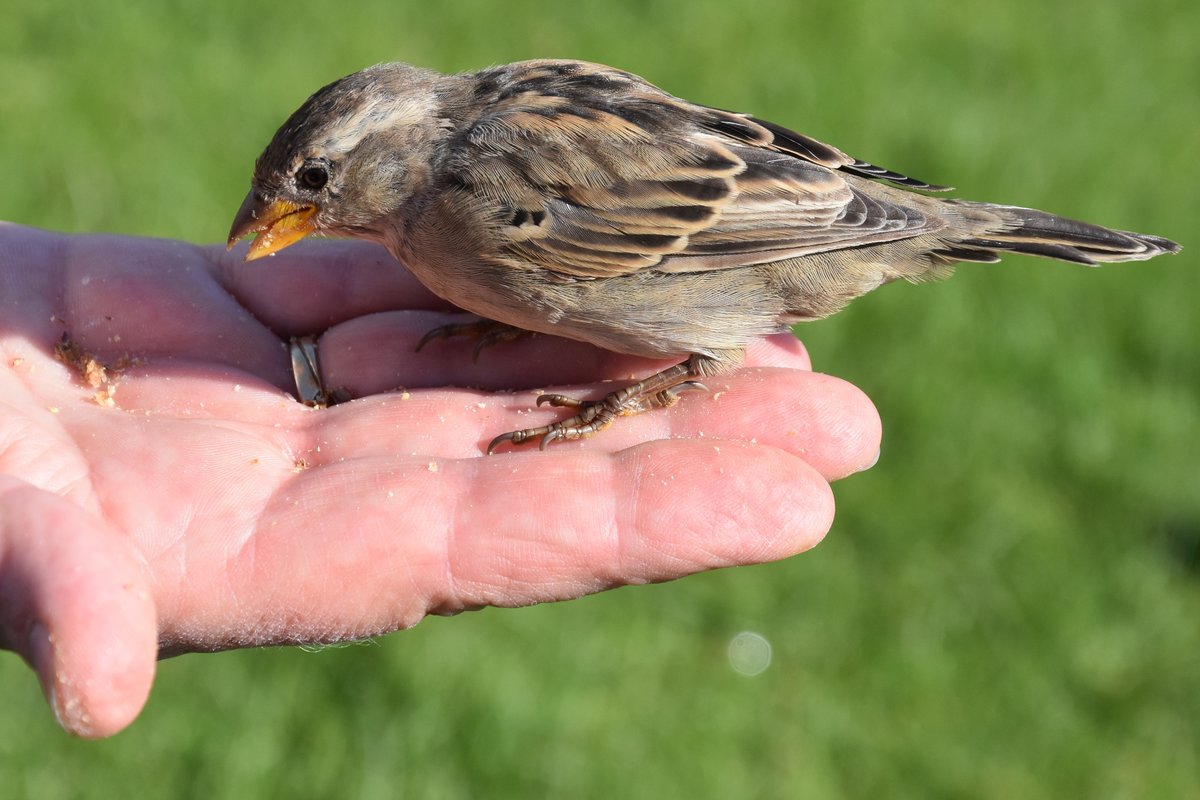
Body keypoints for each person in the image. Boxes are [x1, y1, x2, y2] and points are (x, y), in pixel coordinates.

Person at [0, 222, 881, 737]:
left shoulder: (484, 201)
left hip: (762, 245)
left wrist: (610, 402)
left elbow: (693, 227)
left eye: (315, 183)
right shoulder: (454, 198)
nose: (284, 217)